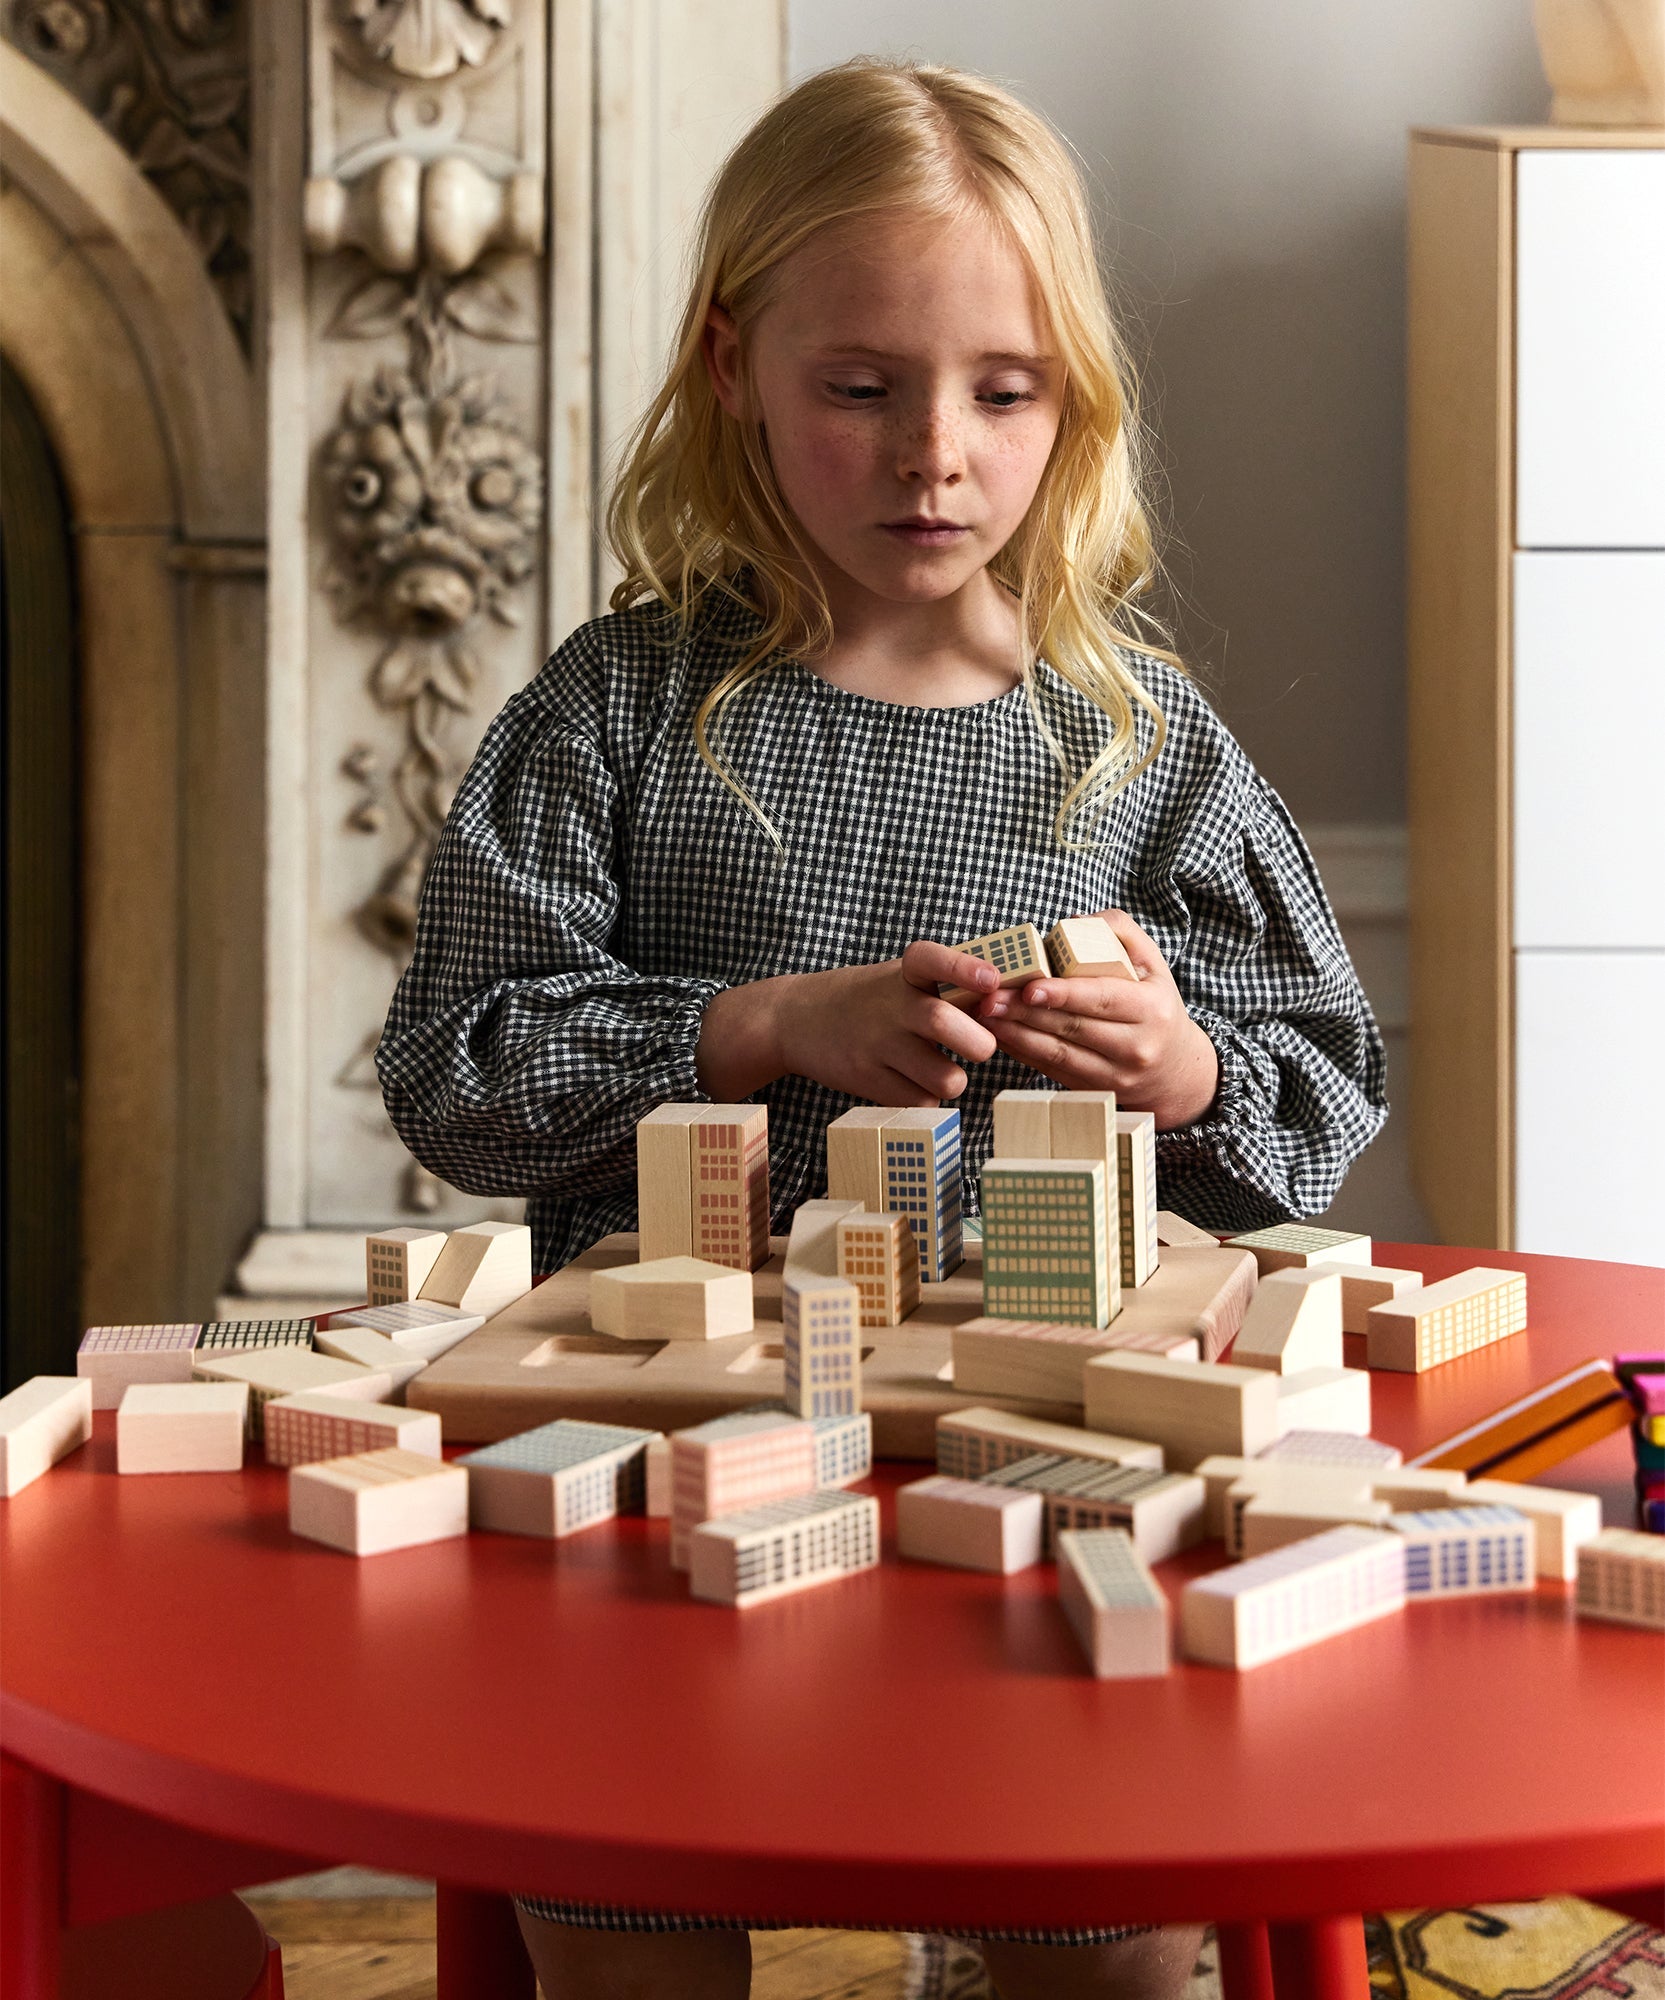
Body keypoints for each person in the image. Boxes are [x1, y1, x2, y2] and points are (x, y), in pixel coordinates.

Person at [378, 54, 1386, 2000]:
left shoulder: (1136, 743)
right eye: (861, 388)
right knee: (626, 1935)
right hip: (663, 1471)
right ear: (731, 364)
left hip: (1043, 1460)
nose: (934, 455)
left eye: (1000, 394)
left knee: (1102, 1943)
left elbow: (1315, 1082)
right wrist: (759, 1028)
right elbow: (455, 1065)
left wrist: (1173, 1065)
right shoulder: (616, 714)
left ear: (1066, 401)